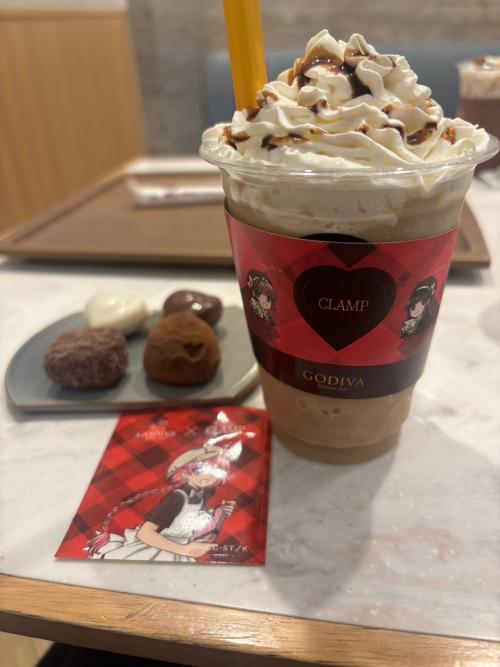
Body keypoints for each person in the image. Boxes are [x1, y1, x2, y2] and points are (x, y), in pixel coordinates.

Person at [87, 442, 241, 561]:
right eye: (200, 470)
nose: (209, 477)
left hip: (182, 547)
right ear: (186, 473)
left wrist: (217, 512)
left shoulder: (200, 495)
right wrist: (185, 550)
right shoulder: (178, 497)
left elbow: (191, 520)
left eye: (214, 471)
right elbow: (145, 533)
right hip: (162, 548)